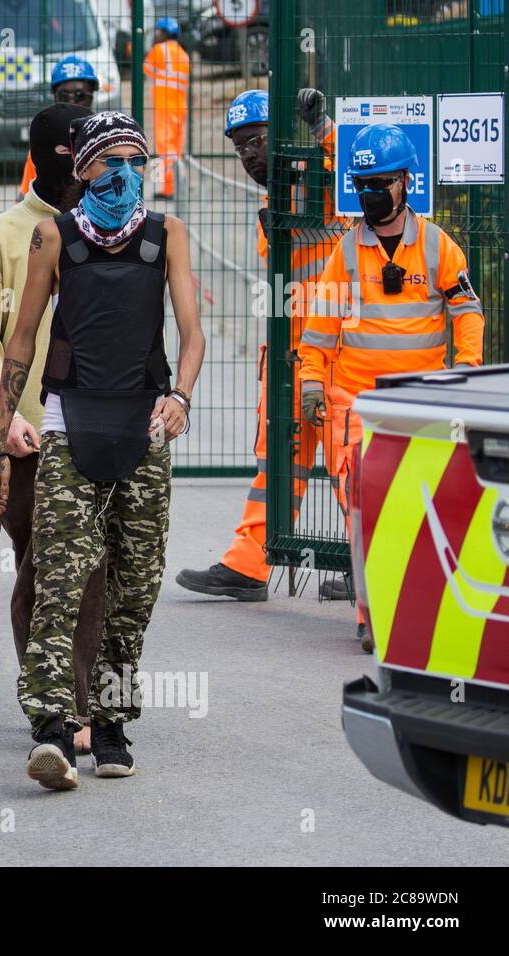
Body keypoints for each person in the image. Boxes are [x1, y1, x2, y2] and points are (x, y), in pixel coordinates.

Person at [0, 112, 204, 789]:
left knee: (135, 586)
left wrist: (183, 397)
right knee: (58, 578)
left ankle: (109, 722)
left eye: (134, 161)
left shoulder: (165, 235)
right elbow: (21, 340)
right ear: (79, 171)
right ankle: (52, 727)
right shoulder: (54, 238)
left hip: (142, 428)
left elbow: (193, 333)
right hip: (67, 424)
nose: (122, 175)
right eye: (107, 162)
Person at [298, 123, 484, 650]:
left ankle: (424, 604)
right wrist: (313, 384)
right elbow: (319, 329)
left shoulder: (438, 247)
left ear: (405, 182)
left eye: (380, 183)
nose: (369, 193)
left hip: (420, 400)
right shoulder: (346, 252)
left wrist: (466, 370)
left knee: (423, 509)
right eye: (362, 183)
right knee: (365, 506)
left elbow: (467, 312)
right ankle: (373, 613)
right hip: (355, 405)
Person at [176, 88, 352, 603]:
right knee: (277, 462)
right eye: (239, 147)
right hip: (292, 355)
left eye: (255, 141)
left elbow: (352, 169)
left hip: (339, 355)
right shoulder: (272, 202)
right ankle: (248, 565)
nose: (248, 155)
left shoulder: (323, 182)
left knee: (349, 464)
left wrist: (322, 127)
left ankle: (374, 566)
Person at [0, 102, 103, 756]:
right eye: (76, 151)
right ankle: (54, 706)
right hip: (28, 436)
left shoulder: (112, 229)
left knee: (97, 569)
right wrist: (5, 424)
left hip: (99, 434)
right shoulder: (4, 237)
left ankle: (81, 698)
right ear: (51, 156)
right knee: (43, 567)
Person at [17, 56, 99, 198]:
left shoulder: (107, 142)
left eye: (79, 95)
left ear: (91, 95)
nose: (72, 101)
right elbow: (25, 199)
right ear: (55, 97)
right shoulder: (42, 149)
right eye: (64, 95)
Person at [143, 17, 189, 200]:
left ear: (163, 32)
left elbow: (146, 69)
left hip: (164, 107)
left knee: (165, 148)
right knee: (177, 149)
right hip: (180, 107)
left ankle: (167, 189)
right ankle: (179, 183)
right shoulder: (184, 55)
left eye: (158, 31)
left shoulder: (159, 50)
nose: (156, 34)